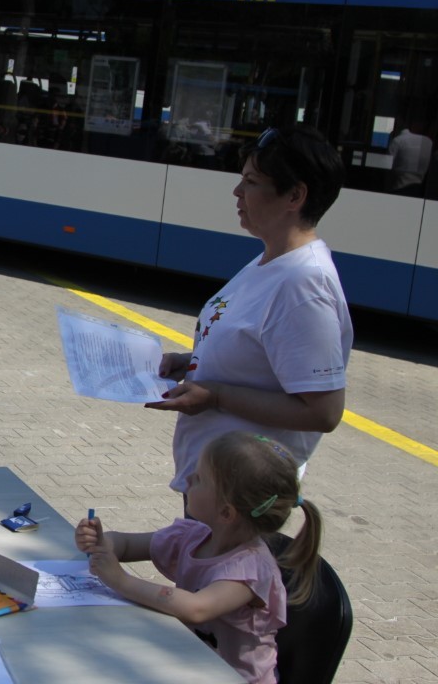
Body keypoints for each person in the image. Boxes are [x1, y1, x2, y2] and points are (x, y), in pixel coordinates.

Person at [147, 125, 352, 496]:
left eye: (252, 181)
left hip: (239, 499)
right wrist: (193, 361)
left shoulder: (304, 285)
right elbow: (263, 353)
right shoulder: (270, 260)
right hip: (215, 483)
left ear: (295, 195)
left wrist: (216, 395)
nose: (237, 191)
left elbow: (323, 412)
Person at [75, 432, 324, 684]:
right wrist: (101, 543)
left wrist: (121, 581)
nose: (189, 478)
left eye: (200, 478)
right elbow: (128, 545)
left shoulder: (249, 569)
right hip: (190, 664)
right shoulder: (193, 535)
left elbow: (196, 608)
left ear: (226, 512)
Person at [387, 118, 432, 195]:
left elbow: (386, 166)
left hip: (399, 189)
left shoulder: (398, 140)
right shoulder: (429, 142)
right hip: (420, 191)